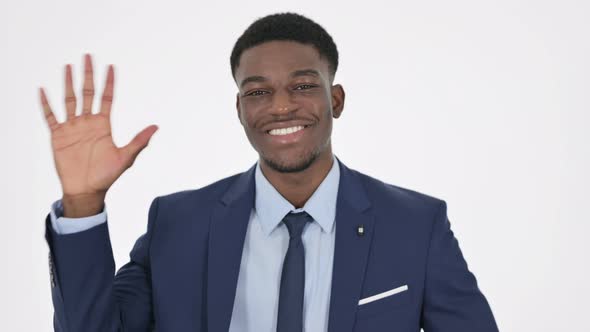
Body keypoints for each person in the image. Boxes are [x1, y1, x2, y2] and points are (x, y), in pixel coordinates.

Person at [40, 12, 498, 332]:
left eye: (302, 86)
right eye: (257, 92)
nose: (280, 106)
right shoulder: (178, 223)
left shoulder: (415, 225)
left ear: (335, 100)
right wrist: (83, 204)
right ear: (239, 109)